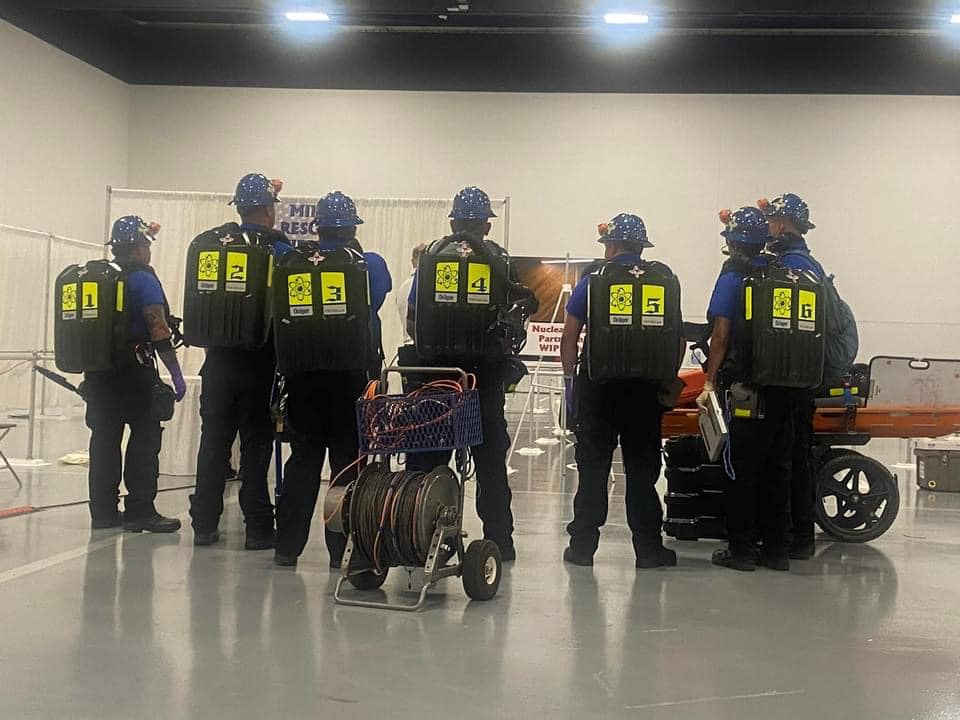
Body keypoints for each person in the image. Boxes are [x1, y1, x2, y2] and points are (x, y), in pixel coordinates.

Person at [404, 186, 537, 563]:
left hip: (437, 378)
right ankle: (501, 543)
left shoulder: (430, 258)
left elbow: (415, 319)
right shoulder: (500, 260)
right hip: (485, 382)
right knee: (491, 465)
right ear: (486, 227)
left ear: (452, 221)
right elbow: (515, 321)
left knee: (427, 463)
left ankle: (419, 540)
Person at [274, 191, 392, 568]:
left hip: (302, 378)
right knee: (346, 465)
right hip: (349, 379)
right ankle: (340, 550)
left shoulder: (290, 262)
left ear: (318, 227)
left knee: (303, 461)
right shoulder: (368, 264)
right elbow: (375, 299)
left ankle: (286, 547)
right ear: (351, 229)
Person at [560, 214, 681, 569]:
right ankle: (648, 549)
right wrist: (666, 380)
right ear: (642, 247)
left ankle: (582, 548)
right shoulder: (663, 280)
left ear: (611, 246)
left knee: (593, 470)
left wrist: (571, 385)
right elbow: (677, 339)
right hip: (645, 393)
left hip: (598, 390)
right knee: (643, 471)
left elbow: (569, 337)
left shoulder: (594, 281)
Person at [189, 173, 293, 549]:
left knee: (213, 443)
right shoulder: (279, 249)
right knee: (256, 445)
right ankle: (258, 528)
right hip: (260, 365)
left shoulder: (212, 245)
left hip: (217, 364)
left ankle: (203, 523)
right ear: (268, 209)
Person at [697, 206, 796, 572]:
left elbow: (721, 332)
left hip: (745, 389)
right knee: (777, 468)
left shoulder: (733, 276)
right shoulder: (781, 271)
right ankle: (776, 550)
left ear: (732, 242)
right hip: (783, 385)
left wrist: (709, 378)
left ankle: (740, 550)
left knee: (741, 468)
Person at [85, 216, 185, 532]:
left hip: (98, 372)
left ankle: (103, 512)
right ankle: (141, 510)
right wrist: (176, 373)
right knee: (144, 439)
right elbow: (157, 326)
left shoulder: (99, 277)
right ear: (141, 247)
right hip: (134, 371)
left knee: (104, 440)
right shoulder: (143, 279)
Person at [760, 193, 821, 560]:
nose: (768, 228)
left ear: (781, 224)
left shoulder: (780, 270)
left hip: (778, 378)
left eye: (770, 222)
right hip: (806, 379)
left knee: (776, 461)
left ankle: (777, 543)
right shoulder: (812, 267)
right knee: (800, 457)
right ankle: (802, 538)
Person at [396, 243, 426, 346]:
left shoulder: (402, 288)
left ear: (413, 262)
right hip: (424, 346)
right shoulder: (428, 284)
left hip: (407, 344)